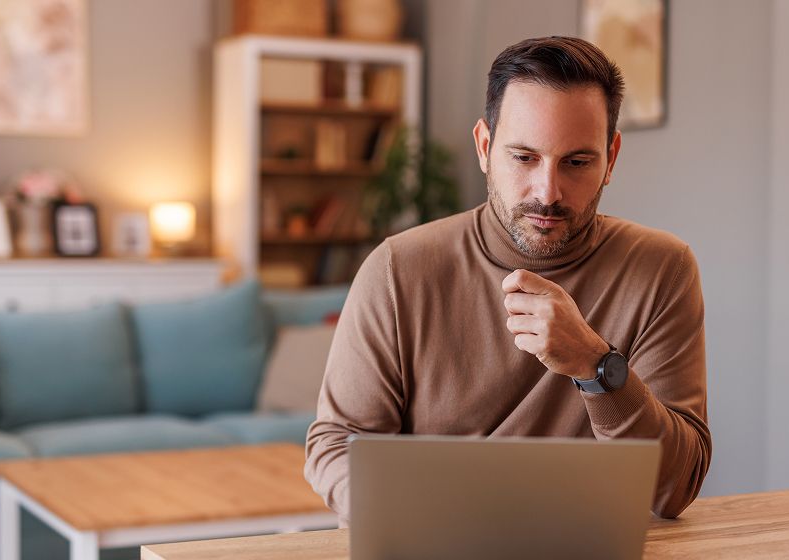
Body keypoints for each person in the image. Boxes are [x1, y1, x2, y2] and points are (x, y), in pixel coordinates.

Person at [304, 36, 711, 523]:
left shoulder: (662, 268)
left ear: (612, 159)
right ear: (484, 146)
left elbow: (675, 489)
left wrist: (596, 366)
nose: (548, 192)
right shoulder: (397, 270)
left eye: (577, 163)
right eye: (524, 157)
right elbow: (335, 446)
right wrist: (413, 524)